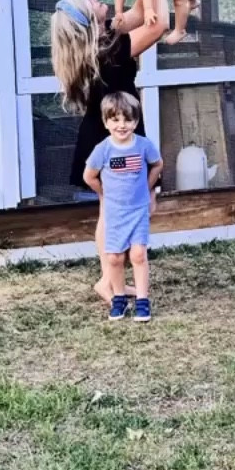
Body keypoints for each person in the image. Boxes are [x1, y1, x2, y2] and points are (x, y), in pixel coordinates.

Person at [49, 0, 169, 302]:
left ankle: (109, 279)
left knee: (110, 210)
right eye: (89, 1)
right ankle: (107, 280)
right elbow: (158, 24)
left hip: (101, 135)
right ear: (91, 22)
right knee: (112, 211)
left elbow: (140, 12)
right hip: (115, 140)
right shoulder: (111, 52)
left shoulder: (98, 46)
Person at [83, 93, 163, 322]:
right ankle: (119, 299)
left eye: (127, 120)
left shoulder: (143, 145)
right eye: (115, 120)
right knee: (115, 258)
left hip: (138, 210)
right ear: (106, 122)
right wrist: (103, 193)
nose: (122, 125)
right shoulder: (103, 149)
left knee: (138, 255)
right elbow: (89, 176)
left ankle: (142, 301)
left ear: (136, 122)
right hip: (114, 213)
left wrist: (148, 190)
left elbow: (157, 164)